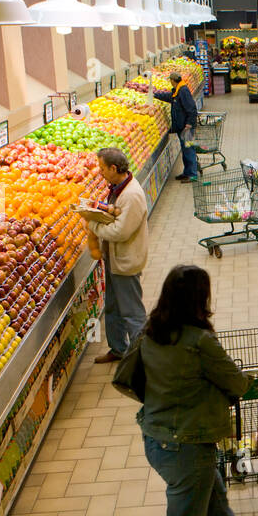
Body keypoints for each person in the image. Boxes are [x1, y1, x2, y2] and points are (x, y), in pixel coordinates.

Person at [134, 265, 258, 516]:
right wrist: (249, 377)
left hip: (156, 438)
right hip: (187, 445)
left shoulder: (150, 332)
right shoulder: (199, 342)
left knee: (212, 493)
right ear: (199, 299)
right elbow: (236, 384)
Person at [84, 148, 148, 364]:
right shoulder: (118, 188)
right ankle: (118, 348)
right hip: (114, 257)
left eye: (102, 168)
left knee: (131, 311)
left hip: (126, 259)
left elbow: (121, 231)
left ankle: (143, 357)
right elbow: (116, 216)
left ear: (113, 168)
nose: (99, 172)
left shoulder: (132, 195)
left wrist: (93, 224)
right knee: (113, 306)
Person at [153, 70, 199, 181]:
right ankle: (187, 172)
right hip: (182, 126)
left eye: (170, 81)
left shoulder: (183, 91)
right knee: (185, 150)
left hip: (186, 127)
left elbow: (192, 108)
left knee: (189, 149)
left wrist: (189, 123)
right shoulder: (178, 90)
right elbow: (170, 97)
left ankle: (192, 174)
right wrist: (154, 94)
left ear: (173, 81)